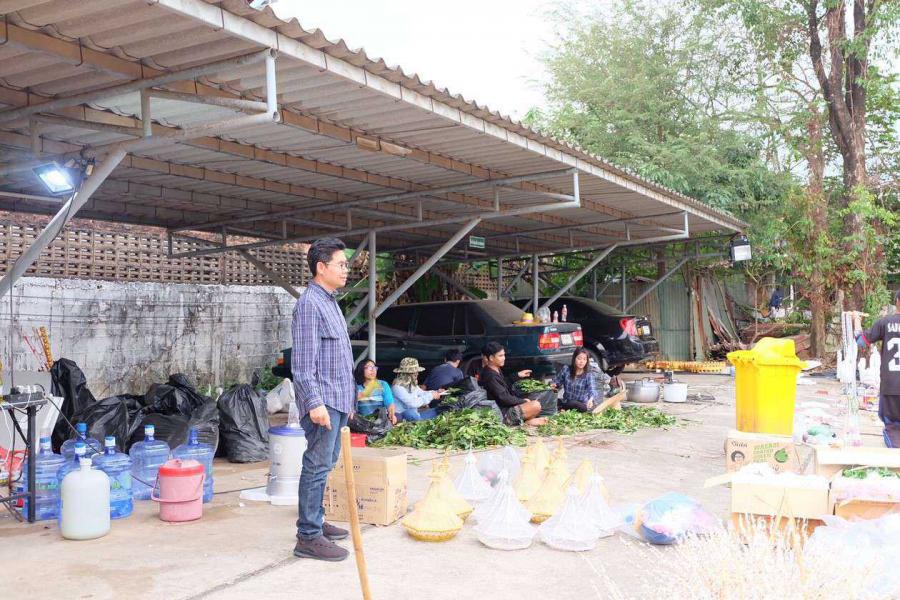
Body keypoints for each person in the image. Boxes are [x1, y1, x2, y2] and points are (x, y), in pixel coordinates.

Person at [291, 237, 354, 562]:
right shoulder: (309, 305)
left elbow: (339, 357)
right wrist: (314, 404)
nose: (346, 270)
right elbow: (302, 365)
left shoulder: (329, 301)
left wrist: (350, 401)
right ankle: (308, 536)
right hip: (323, 401)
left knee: (326, 464)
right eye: (340, 264)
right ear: (321, 267)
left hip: (338, 400)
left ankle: (316, 520)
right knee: (316, 466)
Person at [855, 289, 900, 448]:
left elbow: (861, 342)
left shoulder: (885, 323)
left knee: (892, 426)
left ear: (896, 302)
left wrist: (856, 321)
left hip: (890, 385)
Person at [479, 341, 547, 426]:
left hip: (506, 407)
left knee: (533, 402)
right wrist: (522, 401)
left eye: (504, 355)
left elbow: (504, 383)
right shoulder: (490, 375)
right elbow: (504, 398)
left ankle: (528, 422)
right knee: (535, 405)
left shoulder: (496, 369)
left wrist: (518, 375)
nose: (504, 358)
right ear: (491, 358)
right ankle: (525, 423)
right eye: (500, 356)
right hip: (501, 414)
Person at [391, 357, 442, 421]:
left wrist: (436, 392)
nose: (417, 374)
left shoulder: (411, 384)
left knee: (440, 410)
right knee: (411, 413)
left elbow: (422, 393)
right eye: (415, 372)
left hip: (413, 414)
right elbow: (412, 403)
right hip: (401, 415)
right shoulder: (397, 387)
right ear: (407, 374)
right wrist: (431, 396)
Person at [553, 347, 600, 412]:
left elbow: (592, 390)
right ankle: (563, 408)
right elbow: (557, 381)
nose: (582, 361)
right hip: (567, 402)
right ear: (574, 359)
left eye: (584, 359)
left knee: (573, 403)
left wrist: (590, 399)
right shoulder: (566, 369)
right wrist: (554, 385)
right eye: (579, 358)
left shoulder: (588, 374)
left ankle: (563, 409)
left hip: (581, 405)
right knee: (554, 401)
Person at [354, 360, 397, 424]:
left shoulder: (383, 384)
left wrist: (392, 414)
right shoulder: (356, 387)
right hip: (361, 422)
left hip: (380, 420)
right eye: (369, 367)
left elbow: (389, 403)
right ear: (361, 369)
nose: (373, 370)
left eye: (374, 367)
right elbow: (352, 407)